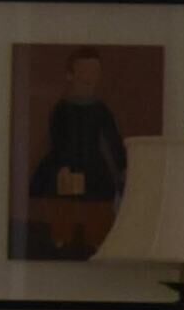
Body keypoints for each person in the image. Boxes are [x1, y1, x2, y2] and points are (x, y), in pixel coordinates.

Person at [24, 49, 132, 253]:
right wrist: (62, 166)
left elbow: (113, 140)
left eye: (94, 71)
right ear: (70, 75)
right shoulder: (61, 109)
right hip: (64, 163)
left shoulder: (101, 110)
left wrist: (123, 166)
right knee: (61, 202)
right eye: (84, 71)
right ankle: (60, 237)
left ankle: (96, 239)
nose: (89, 76)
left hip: (93, 165)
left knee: (99, 204)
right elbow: (58, 140)